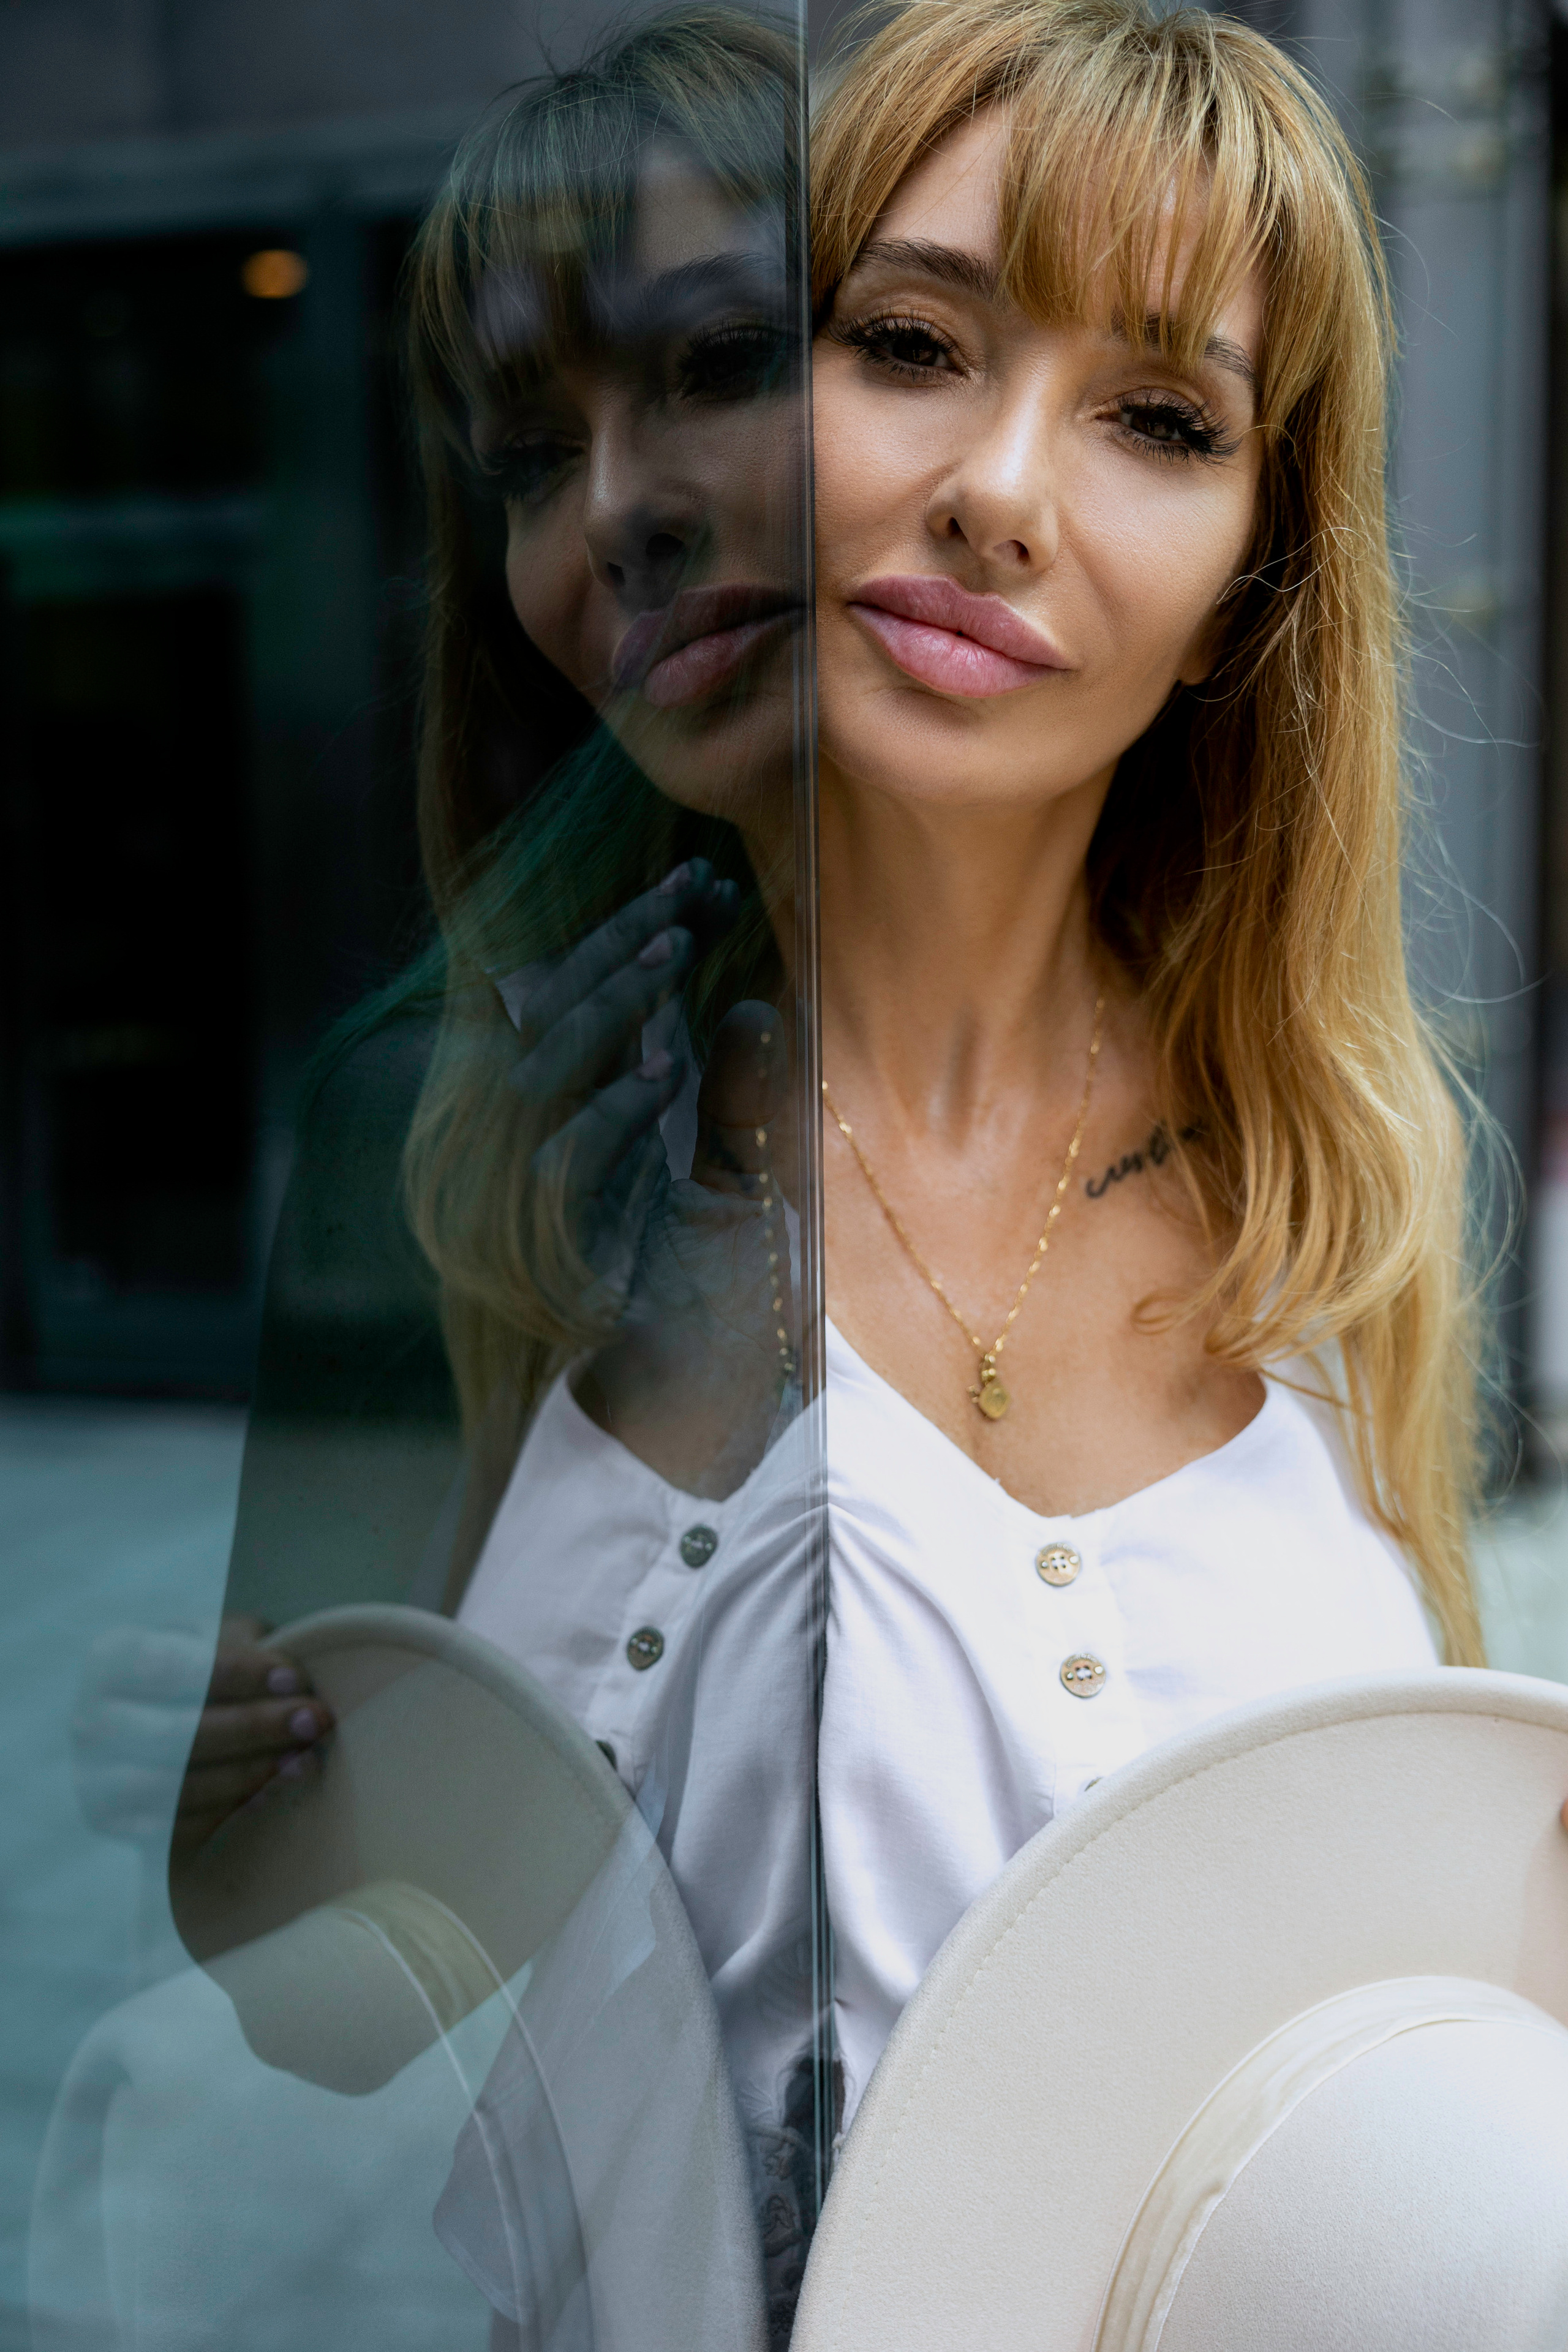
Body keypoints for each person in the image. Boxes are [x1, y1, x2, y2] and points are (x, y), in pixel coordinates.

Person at [153, 0, 1494, 2329]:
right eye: (908, 343)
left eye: (1160, 419)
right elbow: (320, 1994)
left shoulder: (1342, 1184)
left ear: (1241, 599)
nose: (1000, 489)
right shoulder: (476, 1159)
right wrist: (246, 1833)